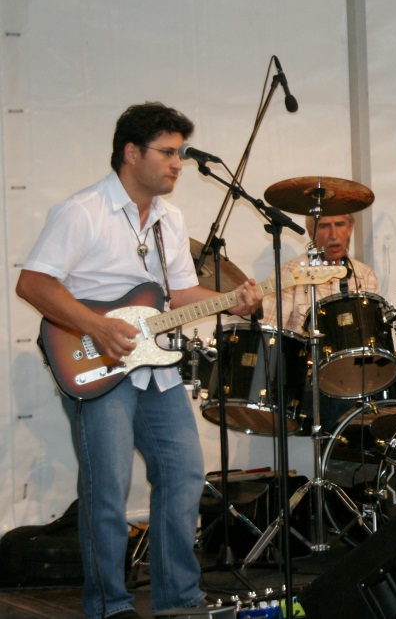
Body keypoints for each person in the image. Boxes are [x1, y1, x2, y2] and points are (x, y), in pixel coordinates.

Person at [16, 102, 262, 619]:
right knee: (106, 488)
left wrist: (232, 302)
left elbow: (178, 295)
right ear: (131, 153)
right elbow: (33, 283)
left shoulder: (170, 219)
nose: (177, 164)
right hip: (94, 363)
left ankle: (179, 600)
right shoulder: (82, 211)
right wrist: (97, 326)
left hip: (155, 368)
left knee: (184, 474)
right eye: (167, 153)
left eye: (180, 154)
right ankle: (109, 606)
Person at [261, 213, 380, 430]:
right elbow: (268, 336)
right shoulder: (288, 274)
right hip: (306, 381)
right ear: (310, 233)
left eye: (340, 224)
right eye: (324, 226)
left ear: (350, 228)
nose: (334, 234)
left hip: (354, 377)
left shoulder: (365, 275)